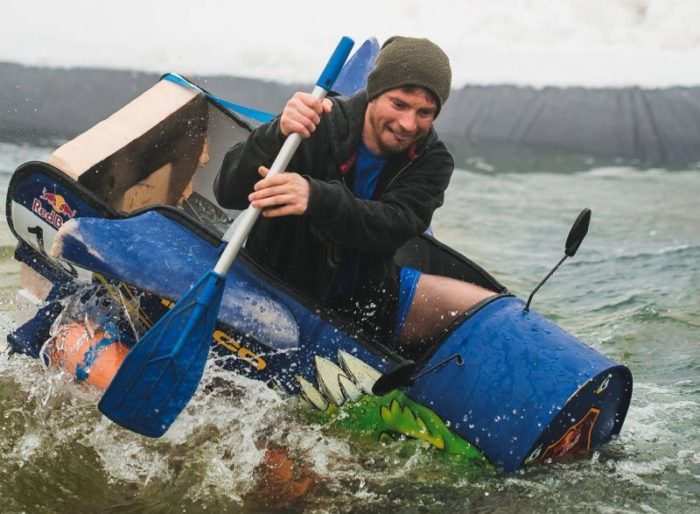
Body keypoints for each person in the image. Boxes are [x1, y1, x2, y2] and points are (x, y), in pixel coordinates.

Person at [214, 36, 495, 355]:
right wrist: (275, 133)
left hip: (363, 307)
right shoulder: (317, 121)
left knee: (485, 306)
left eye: (424, 112)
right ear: (375, 92)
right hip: (274, 290)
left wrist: (315, 197)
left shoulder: (434, 160)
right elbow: (228, 191)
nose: (408, 123)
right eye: (399, 104)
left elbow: (394, 226)